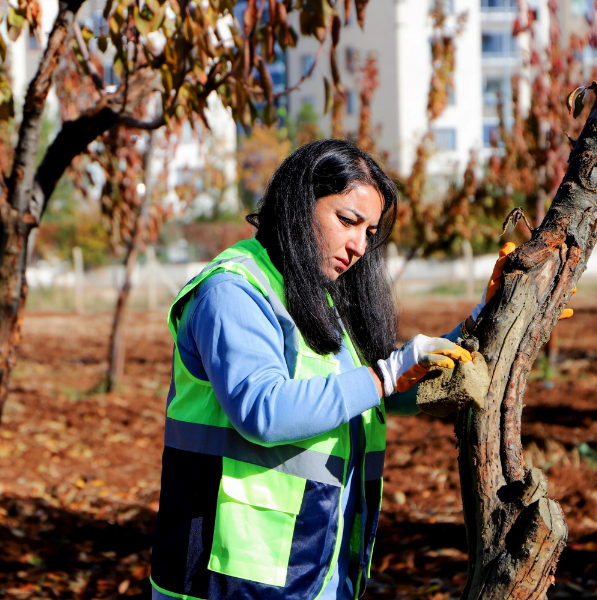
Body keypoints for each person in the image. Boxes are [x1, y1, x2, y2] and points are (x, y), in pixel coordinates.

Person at [149, 140, 481, 600]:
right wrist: (384, 375)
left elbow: (380, 392)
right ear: (297, 203)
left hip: (312, 566)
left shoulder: (318, 298)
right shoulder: (233, 293)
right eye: (348, 221)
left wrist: (487, 316)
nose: (359, 246)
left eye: (369, 232)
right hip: (227, 577)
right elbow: (262, 410)